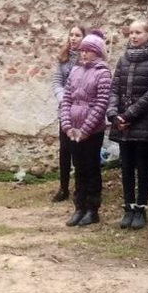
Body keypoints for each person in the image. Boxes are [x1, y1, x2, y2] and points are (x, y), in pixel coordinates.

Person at [107, 20, 148, 230]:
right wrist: (114, 114)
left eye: (138, 32)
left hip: (143, 121)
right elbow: (115, 87)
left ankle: (141, 208)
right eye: (131, 33)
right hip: (122, 122)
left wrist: (129, 116)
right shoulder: (124, 58)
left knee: (143, 167)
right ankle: (128, 207)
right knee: (126, 167)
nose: (133, 36)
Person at [60, 34, 112, 227]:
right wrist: (67, 125)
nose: (83, 53)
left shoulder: (103, 72)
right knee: (78, 168)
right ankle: (79, 206)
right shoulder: (75, 70)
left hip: (92, 130)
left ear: (96, 52)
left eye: (87, 50)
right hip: (73, 128)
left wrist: (85, 129)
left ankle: (92, 208)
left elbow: (101, 104)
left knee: (91, 168)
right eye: (82, 50)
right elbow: (67, 99)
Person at [51, 24, 87, 202]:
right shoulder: (63, 58)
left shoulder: (87, 59)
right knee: (65, 150)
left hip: (82, 111)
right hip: (65, 110)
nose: (73, 38)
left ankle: (81, 187)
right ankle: (63, 188)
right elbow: (57, 81)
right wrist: (64, 99)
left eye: (77, 35)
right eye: (71, 35)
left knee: (79, 151)